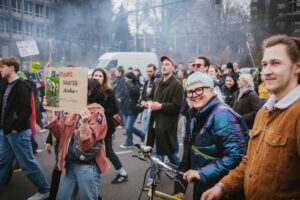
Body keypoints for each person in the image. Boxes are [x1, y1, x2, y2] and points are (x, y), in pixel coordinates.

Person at [201, 34, 300, 200]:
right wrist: (222, 186)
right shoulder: (264, 112)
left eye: (275, 63)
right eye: (264, 64)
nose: (266, 71)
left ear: (297, 67)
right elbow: (250, 161)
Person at [181, 72, 248, 200]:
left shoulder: (222, 115)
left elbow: (236, 156)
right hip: (207, 184)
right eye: (190, 92)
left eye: (199, 90)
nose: (194, 95)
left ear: (211, 90)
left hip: (221, 188)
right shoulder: (201, 113)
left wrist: (202, 173)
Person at [44, 78, 109, 200]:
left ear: (88, 92)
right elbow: (58, 133)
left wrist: (84, 124)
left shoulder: (97, 114)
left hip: (87, 166)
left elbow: (86, 145)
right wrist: (50, 111)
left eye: (78, 89)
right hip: (68, 164)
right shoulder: (74, 110)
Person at [0, 57, 50, 200]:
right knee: (2, 163)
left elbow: (26, 110)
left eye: (2, 67)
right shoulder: (5, 84)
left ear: (11, 68)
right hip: (5, 131)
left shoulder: (22, 85)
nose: (0, 70)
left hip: (17, 133)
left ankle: (44, 189)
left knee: (27, 163)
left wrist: (16, 127)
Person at [144, 56, 184, 189]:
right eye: (163, 64)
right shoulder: (157, 81)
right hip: (155, 123)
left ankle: (153, 180)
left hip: (166, 125)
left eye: (167, 64)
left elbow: (178, 105)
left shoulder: (177, 84)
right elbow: (151, 97)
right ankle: (182, 172)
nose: (164, 66)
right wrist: (148, 102)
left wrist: (161, 106)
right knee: (170, 154)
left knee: (158, 153)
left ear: (173, 67)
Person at [92, 68, 129, 184]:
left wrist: (100, 111)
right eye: (95, 75)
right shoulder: (89, 90)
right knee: (92, 151)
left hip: (106, 127)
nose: (97, 78)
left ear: (104, 79)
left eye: (100, 76)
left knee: (108, 151)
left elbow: (114, 109)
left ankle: (123, 173)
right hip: (93, 126)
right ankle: (91, 175)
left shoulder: (108, 91)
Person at [120, 72, 145, 149]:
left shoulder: (136, 85)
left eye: (127, 79)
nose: (125, 80)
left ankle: (129, 143)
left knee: (128, 127)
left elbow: (134, 93)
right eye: (125, 79)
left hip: (133, 109)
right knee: (128, 127)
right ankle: (141, 135)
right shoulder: (124, 85)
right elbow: (123, 94)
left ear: (131, 79)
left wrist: (130, 84)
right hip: (125, 108)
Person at [141, 64, 157, 134]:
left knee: (152, 129)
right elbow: (144, 93)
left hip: (153, 107)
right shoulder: (147, 80)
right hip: (145, 107)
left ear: (155, 71)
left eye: (150, 71)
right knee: (145, 128)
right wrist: (142, 101)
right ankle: (147, 142)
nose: (148, 73)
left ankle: (152, 144)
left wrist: (153, 91)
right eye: (147, 71)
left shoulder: (158, 80)